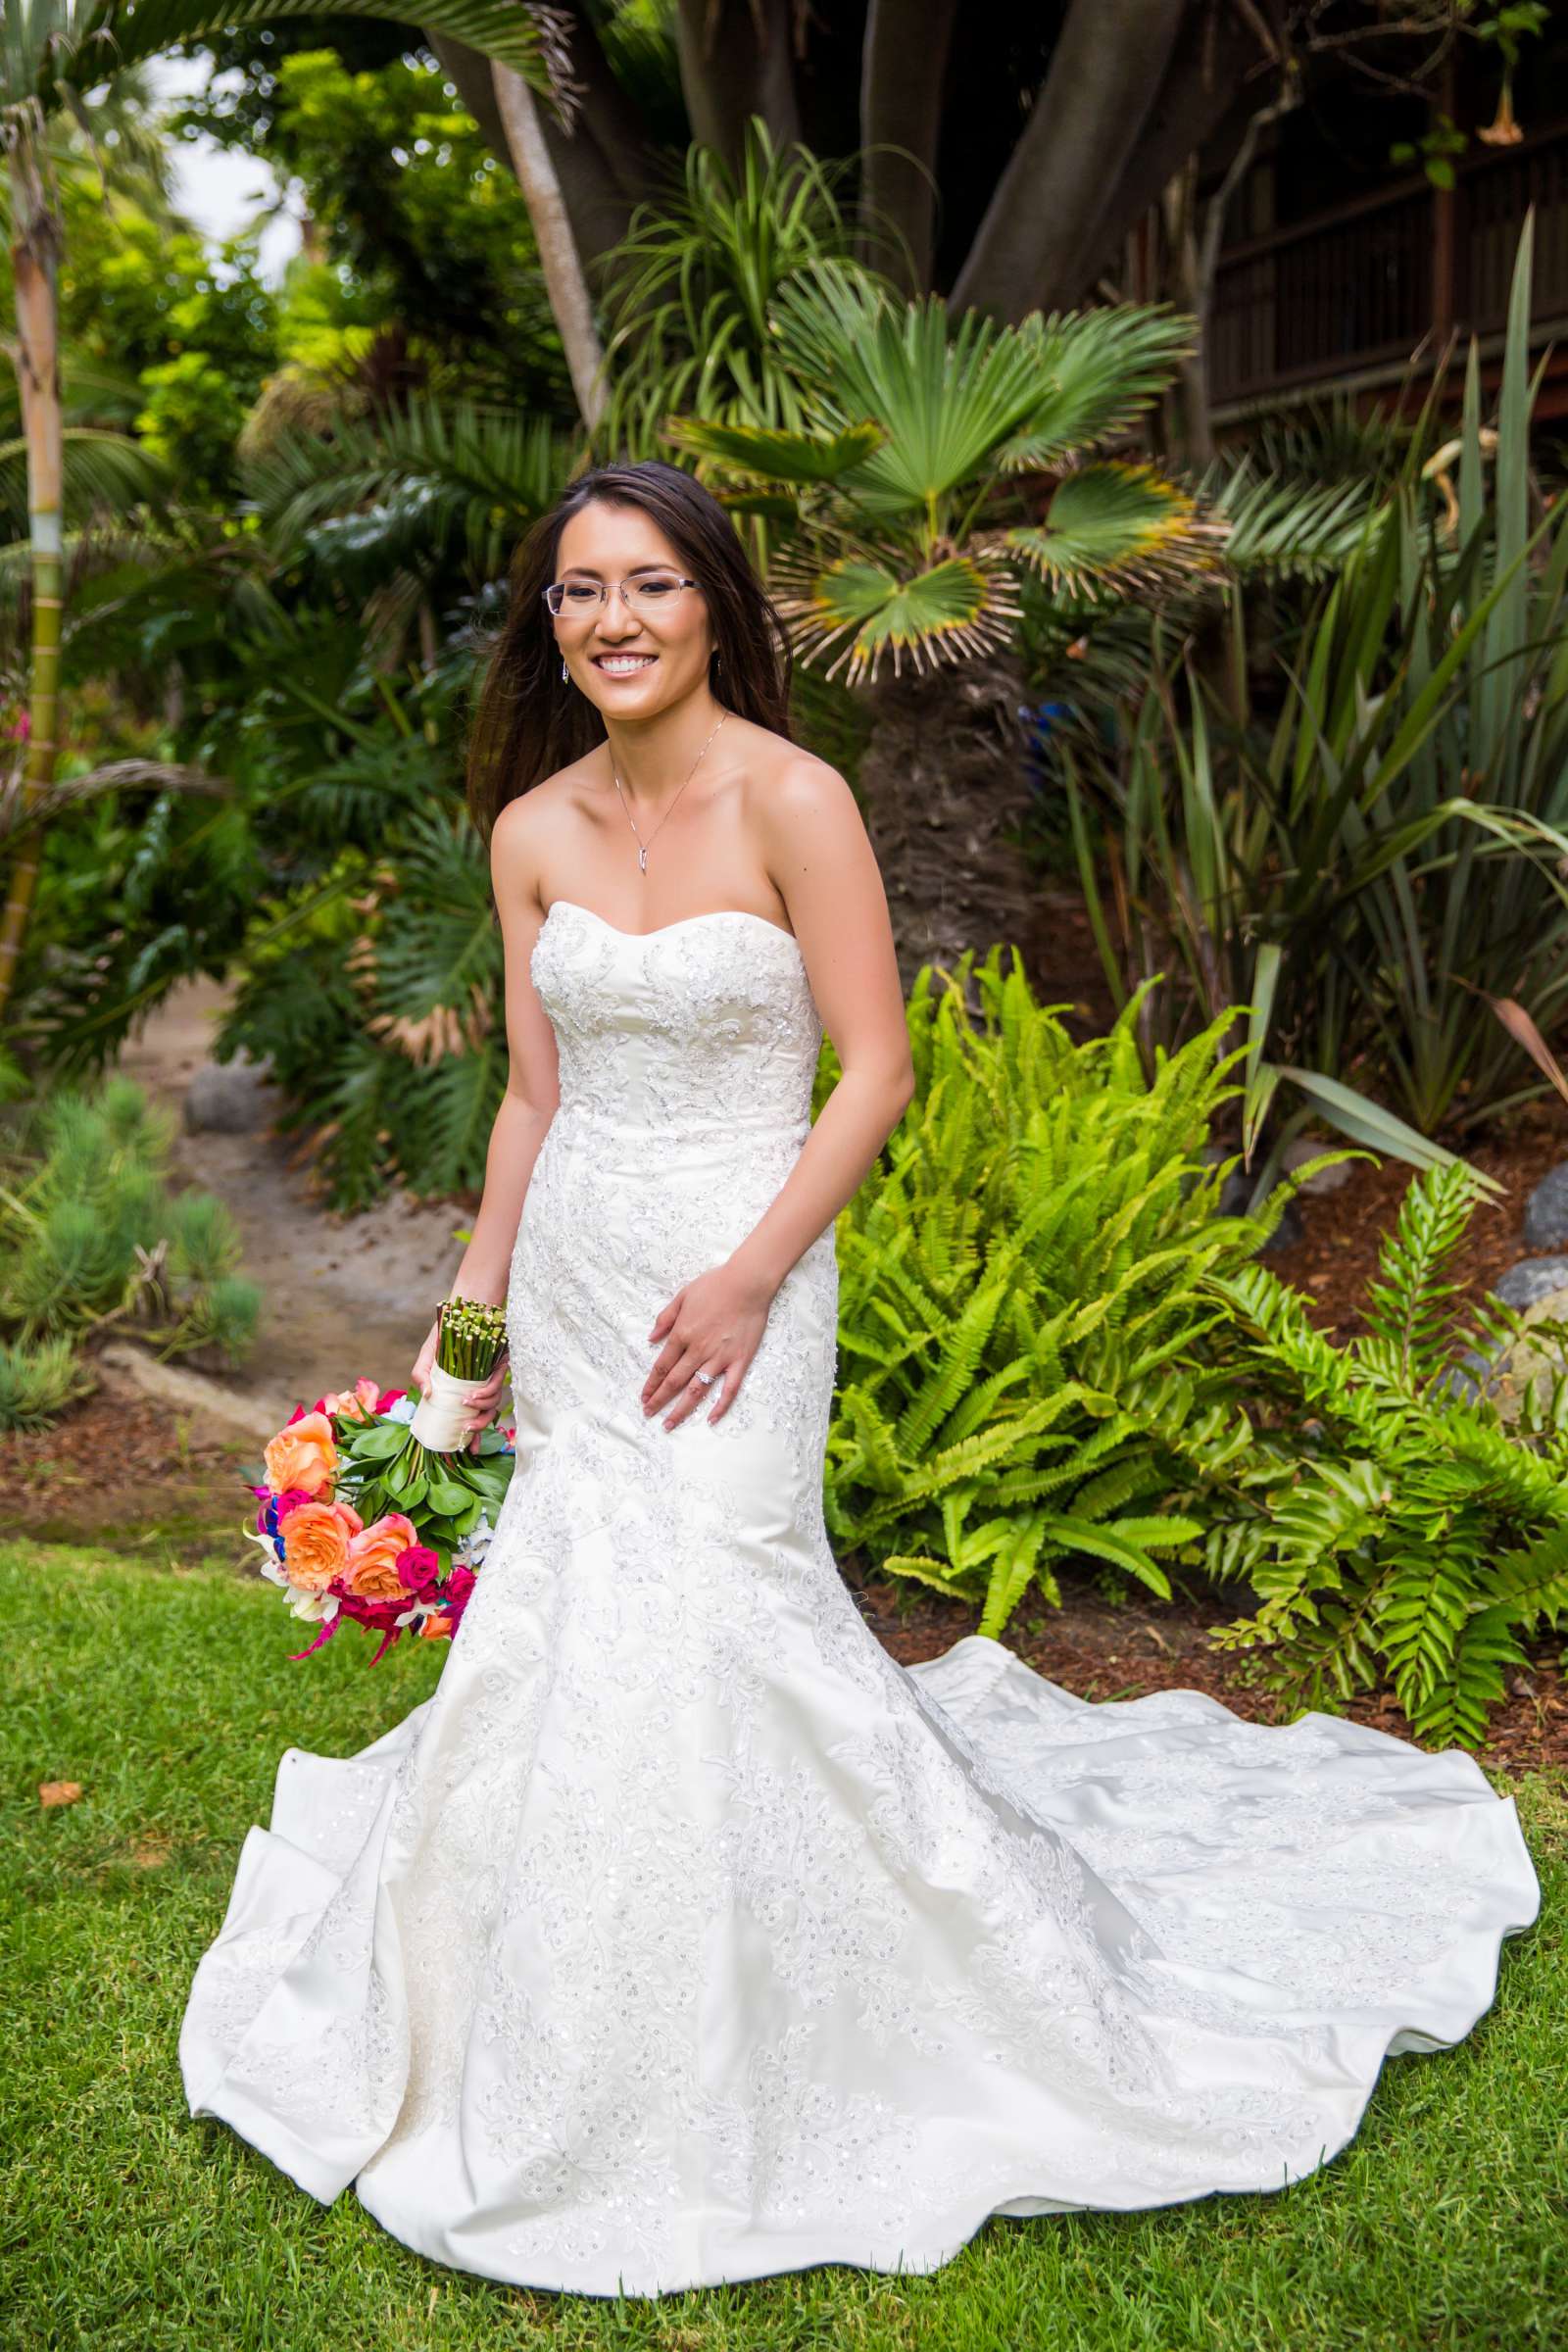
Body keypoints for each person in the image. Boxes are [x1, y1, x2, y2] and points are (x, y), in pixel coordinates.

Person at [179, 461, 1539, 2299]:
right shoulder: (531, 829)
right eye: (579, 594)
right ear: (550, 626)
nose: (614, 622)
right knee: (583, 1625)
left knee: (733, 1602)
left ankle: (844, 2008)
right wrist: (471, 1321)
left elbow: (874, 1071)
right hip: (585, 1271)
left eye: (649, 584)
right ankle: (575, 2008)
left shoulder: (797, 800)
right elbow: (530, 1093)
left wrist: (749, 1277)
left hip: (746, 1261)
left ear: (717, 607)